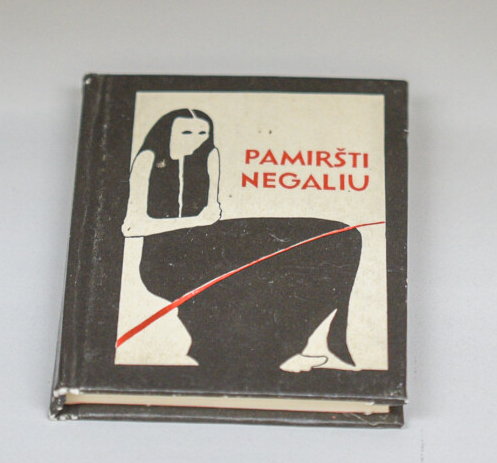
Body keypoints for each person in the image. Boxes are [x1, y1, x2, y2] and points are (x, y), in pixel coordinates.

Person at [121, 109, 360, 372]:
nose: (197, 139)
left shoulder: (209, 156)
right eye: (186, 132)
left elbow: (211, 214)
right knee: (242, 279)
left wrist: (204, 221)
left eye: (203, 133)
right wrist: (195, 221)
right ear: (166, 133)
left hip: (203, 246)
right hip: (163, 261)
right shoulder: (148, 159)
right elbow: (132, 226)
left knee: (335, 237)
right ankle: (264, 355)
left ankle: (283, 351)